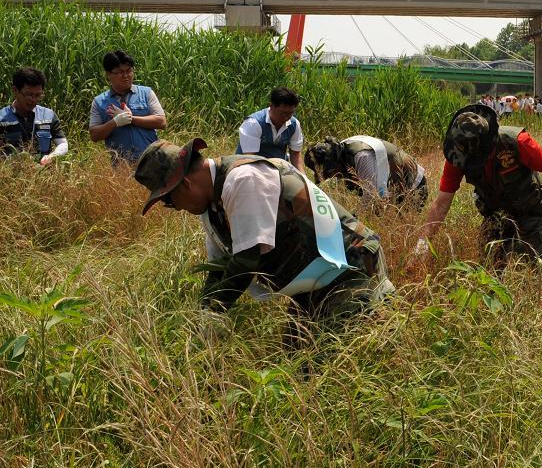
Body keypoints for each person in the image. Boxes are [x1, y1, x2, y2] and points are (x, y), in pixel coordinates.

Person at [134, 138, 392, 344]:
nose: (176, 208)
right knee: (298, 359)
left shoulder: (244, 180)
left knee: (345, 356)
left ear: (186, 184)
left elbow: (246, 259)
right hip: (315, 279)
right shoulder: (212, 207)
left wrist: (216, 310)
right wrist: (203, 312)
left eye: (169, 201)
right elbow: (220, 266)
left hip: (350, 266)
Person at [413, 104, 542, 267]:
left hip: (529, 209)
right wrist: (423, 244)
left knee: (529, 266)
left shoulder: (517, 142)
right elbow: (442, 202)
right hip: (494, 211)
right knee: (489, 266)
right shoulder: (459, 155)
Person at [89, 50, 167, 163]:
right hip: (121, 165)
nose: (126, 76)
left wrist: (131, 119)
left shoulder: (146, 93)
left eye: (129, 70)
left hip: (151, 161)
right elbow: (94, 135)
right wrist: (114, 122)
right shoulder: (99, 102)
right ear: (108, 74)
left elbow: (161, 121)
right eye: (120, 72)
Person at [307, 135, 428, 207]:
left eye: (329, 173)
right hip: (393, 193)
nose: (332, 177)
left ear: (333, 164)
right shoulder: (341, 151)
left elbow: (374, 199)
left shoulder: (362, 157)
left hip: (413, 190)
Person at [0, 66, 68, 165]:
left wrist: (51, 157)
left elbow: (63, 144)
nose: (33, 99)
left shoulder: (49, 116)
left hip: (44, 171)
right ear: (15, 91)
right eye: (28, 95)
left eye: (38, 95)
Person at [237, 87, 305, 170]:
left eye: (290, 114)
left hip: (278, 168)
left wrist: (303, 177)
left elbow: (295, 155)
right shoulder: (253, 123)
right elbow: (248, 158)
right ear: (271, 106)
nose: (286, 117)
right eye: (282, 113)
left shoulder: (294, 124)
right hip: (251, 167)